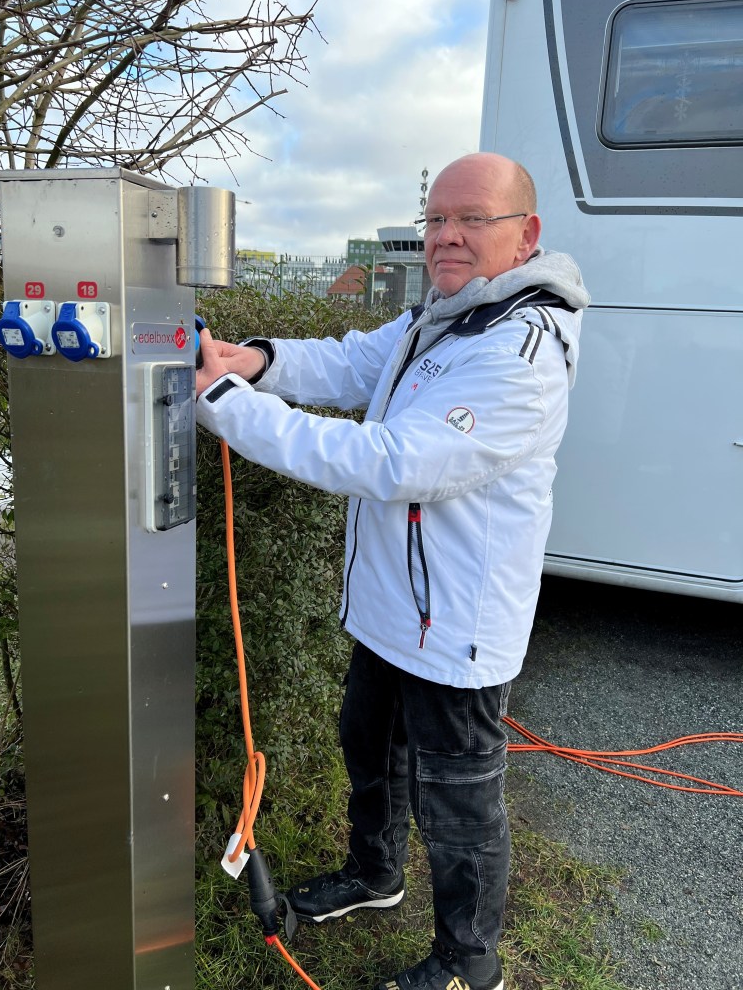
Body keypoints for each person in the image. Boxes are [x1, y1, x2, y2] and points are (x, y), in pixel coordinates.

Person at [195, 152, 589, 990]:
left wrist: (227, 408)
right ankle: (376, 874)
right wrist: (253, 361)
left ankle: (467, 961)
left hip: (455, 627)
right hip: (390, 609)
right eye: (437, 218)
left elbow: (392, 462)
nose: (447, 235)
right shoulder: (444, 315)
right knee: (367, 746)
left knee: (459, 799)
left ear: (526, 235)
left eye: (472, 219)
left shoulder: (521, 345)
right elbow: (350, 361)